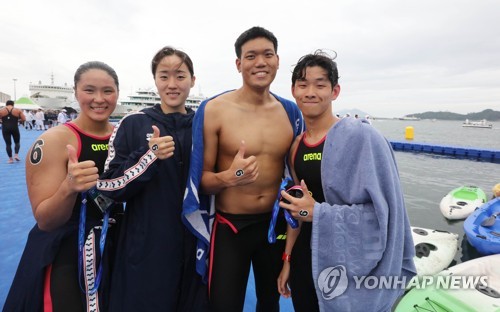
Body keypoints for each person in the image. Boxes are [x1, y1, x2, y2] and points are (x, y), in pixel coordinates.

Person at [277, 50, 416, 311]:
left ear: (335, 91)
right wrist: (287, 260)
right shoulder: (296, 146)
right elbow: (296, 212)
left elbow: (384, 215)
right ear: (294, 90)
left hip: (348, 262)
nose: (310, 92)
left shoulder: (362, 139)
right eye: (303, 84)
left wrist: (317, 212)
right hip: (305, 258)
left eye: (320, 85)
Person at [182, 26, 304, 312]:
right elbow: (200, 181)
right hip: (231, 227)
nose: (260, 62)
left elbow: (297, 175)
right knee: (224, 305)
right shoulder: (215, 110)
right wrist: (231, 176)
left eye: (267, 54)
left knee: (270, 303)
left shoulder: (290, 112)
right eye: (251, 56)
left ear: (277, 60)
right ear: (239, 64)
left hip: (274, 227)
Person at [4, 61, 123, 312]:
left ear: (117, 93)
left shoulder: (124, 136)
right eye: (89, 90)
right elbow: (45, 220)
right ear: (76, 92)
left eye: (107, 91)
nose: (99, 99)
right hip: (68, 249)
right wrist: (68, 187)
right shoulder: (54, 141)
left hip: (120, 244)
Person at [97, 46, 208, 311]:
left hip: (194, 243)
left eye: (180, 76)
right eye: (164, 76)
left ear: (193, 80)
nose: (172, 84)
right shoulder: (134, 123)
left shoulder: (203, 125)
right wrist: (148, 156)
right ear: (155, 80)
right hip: (146, 245)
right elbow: (108, 187)